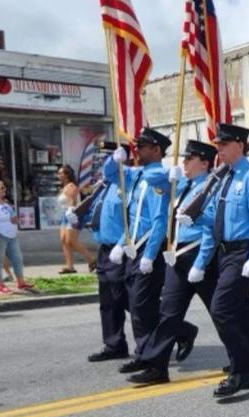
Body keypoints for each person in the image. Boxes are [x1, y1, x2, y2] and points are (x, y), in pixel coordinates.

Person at [185, 123, 249, 398]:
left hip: (243, 253)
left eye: (223, 145)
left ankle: (241, 370)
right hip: (224, 253)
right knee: (242, 312)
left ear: (239, 145)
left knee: (221, 309)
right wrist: (201, 256)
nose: (219, 150)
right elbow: (213, 221)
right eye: (217, 146)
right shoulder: (223, 178)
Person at [124, 140, 219, 385]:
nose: (184, 162)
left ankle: (241, 358)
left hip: (199, 258)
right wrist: (168, 171)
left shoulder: (210, 187)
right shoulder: (182, 184)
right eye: (184, 158)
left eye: (190, 159)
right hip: (177, 258)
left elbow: (210, 230)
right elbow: (153, 179)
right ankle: (157, 367)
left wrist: (201, 262)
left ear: (205, 163)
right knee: (168, 314)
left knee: (221, 313)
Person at [105, 128, 171, 375]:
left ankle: (150, 357)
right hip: (134, 248)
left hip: (146, 251)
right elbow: (111, 175)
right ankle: (144, 353)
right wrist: (114, 158)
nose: (137, 151)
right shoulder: (138, 175)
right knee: (138, 306)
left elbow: (158, 222)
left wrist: (150, 255)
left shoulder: (158, 179)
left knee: (143, 308)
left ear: (156, 150)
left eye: (142, 147)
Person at [71, 147, 133, 363]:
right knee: (108, 300)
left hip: (121, 249)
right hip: (104, 250)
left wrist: (122, 244)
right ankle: (114, 344)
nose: (103, 163)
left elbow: (135, 220)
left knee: (125, 297)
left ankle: (176, 329)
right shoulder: (103, 187)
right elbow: (93, 210)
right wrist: (77, 216)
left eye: (108, 158)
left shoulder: (127, 184)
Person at [0, 180, 33, 294]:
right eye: (1, 187)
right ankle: (0, 285)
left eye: (4, 187)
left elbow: (12, 218)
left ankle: (21, 282)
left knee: (17, 259)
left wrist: (15, 220)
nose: (4, 189)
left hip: (11, 235)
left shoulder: (5, 204)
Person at [57, 165, 96, 275]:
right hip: (65, 214)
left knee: (71, 240)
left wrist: (71, 215)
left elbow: (73, 203)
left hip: (73, 214)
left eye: (60, 173)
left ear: (67, 175)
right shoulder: (63, 187)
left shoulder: (71, 187)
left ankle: (92, 260)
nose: (58, 175)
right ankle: (69, 266)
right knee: (64, 241)